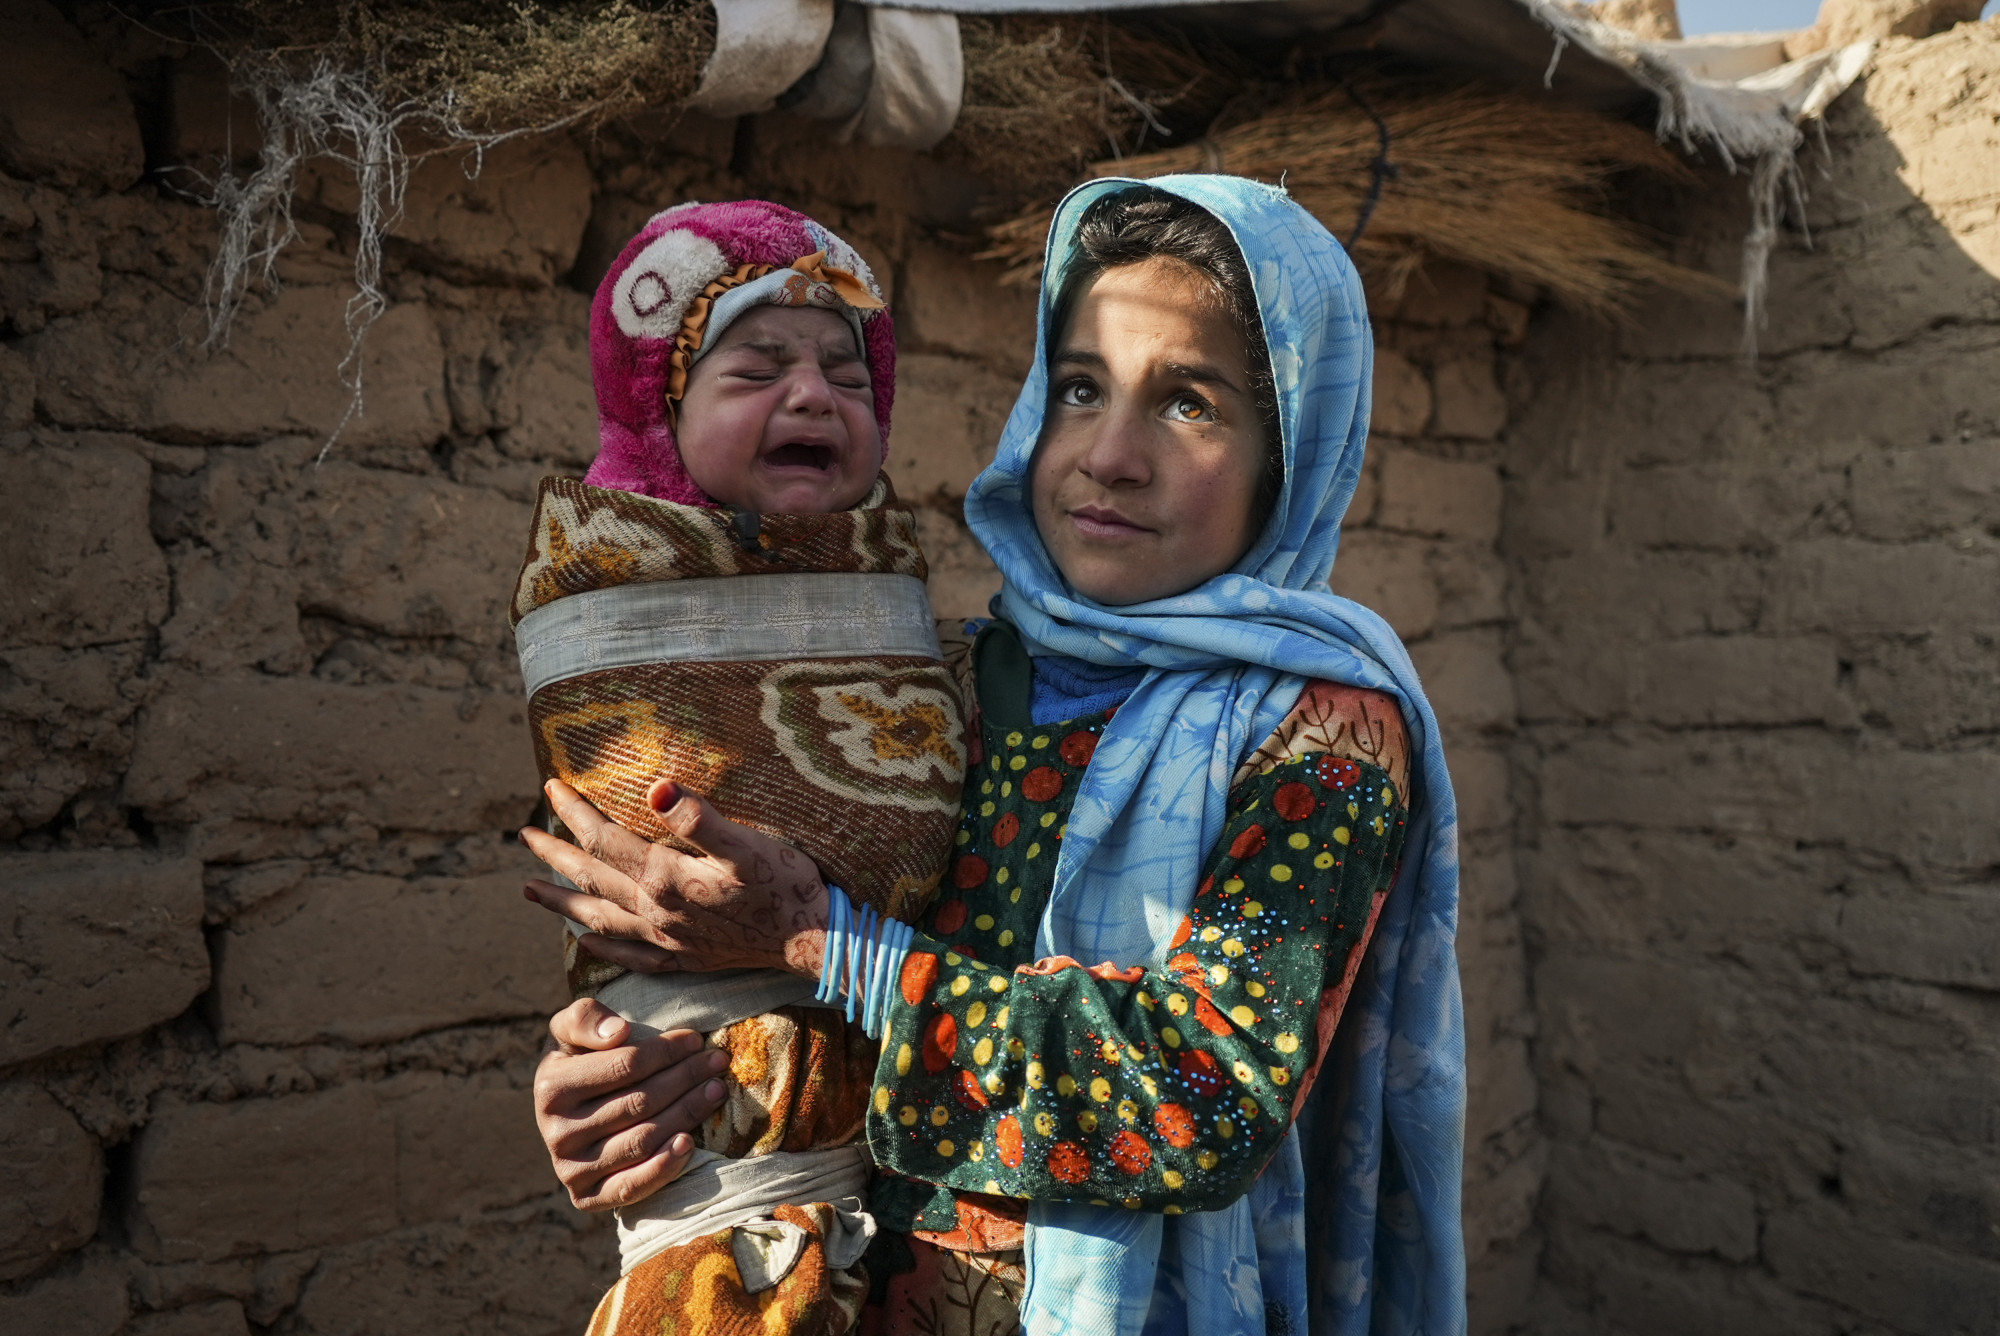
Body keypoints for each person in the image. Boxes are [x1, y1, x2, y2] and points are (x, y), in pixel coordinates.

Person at [526, 176, 1467, 1336]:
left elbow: (1204, 1095)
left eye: (1187, 404)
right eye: (1080, 389)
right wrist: (627, 1084)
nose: (1108, 455)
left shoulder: (1320, 737)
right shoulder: (941, 683)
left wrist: (822, 943)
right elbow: (757, 990)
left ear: (1292, 452)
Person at [513, 198, 969, 1336]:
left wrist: (808, 934)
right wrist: (591, 1060)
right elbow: (647, 868)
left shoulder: (942, 655)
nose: (813, 395)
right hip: (720, 1175)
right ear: (658, 419)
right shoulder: (621, 606)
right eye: (755, 367)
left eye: (848, 378)